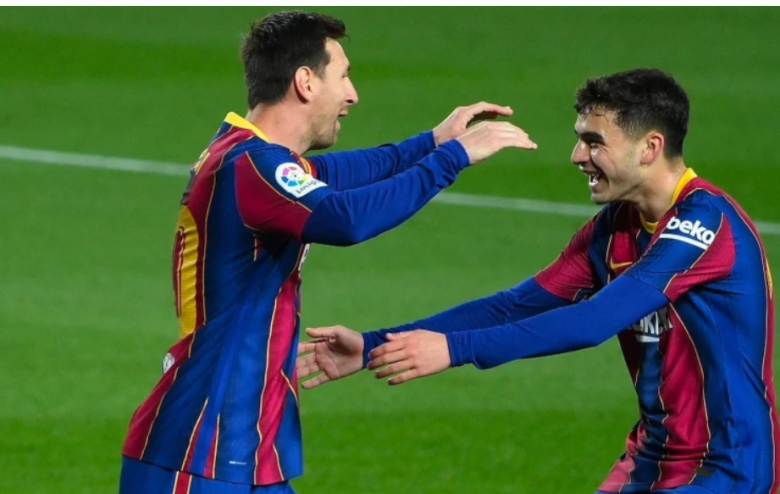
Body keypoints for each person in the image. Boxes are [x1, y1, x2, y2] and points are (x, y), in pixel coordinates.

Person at [298, 68, 778, 494]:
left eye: (595, 142)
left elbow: (594, 320)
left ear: (650, 147)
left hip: (726, 467)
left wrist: (456, 348)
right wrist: (373, 346)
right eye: (579, 139)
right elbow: (516, 306)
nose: (577, 156)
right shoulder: (614, 228)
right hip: (650, 459)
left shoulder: (704, 223)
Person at [118, 9, 536, 494]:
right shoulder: (250, 167)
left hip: (244, 452)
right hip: (199, 450)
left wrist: (432, 141)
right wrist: (454, 156)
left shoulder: (251, 156)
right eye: (343, 76)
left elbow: (346, 173)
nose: (352, 94)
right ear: (305, 82)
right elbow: (346, 219)